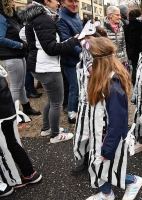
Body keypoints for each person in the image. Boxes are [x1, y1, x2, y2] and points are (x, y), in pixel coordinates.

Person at [84, 37, 142, 200]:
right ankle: (106, 193)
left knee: (108, 168)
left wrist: (107, 150)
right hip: (99, 138)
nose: (85, 68)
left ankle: (133, 181)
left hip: (110, 141)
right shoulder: (100, 82)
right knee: (98, 167)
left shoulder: (113, 89)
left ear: (98, 63)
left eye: (88, 62)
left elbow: (117, 125)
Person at [18, 0, 79, 143]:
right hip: (47, 67)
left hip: (42, 66)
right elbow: (51, 48)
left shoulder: (36, 18)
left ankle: (47, 128)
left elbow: (23, 35)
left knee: (52, 100)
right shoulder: (44, 19)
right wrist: (74, 41)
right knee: (57, 102)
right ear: (46, 1)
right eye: (55, 0)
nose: (58, 3)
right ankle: (55, 135)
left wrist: (34, 48)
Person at [0, 64, 42, 197]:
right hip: (8, 108)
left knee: (2, 150)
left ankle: (9, 182)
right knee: (12, 143)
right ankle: (29, 173)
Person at [72, 20, 107, 175]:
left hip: (99, 106)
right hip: (84, 104)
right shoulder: (81, 58)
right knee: (85, 134)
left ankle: (99, 164)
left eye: (90, 39)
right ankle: (87, 161)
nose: (85, 42)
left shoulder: (103, 61)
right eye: (84, 39)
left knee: (98, 135)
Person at [0, 0, 41, 116]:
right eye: (11, 0)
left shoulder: (11, 17)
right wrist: (19, 45)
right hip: (11, 56)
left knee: (21, 85)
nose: (14, 2)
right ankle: (11, 114)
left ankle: (26, 107)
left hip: (18, 54)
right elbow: (0, 38)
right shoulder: (2, 18)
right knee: (15, 86)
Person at [56, 0, 83, 124]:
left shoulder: (76, 15)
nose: (74, 4)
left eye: (76, 1)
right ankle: (71, 114)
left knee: (79, 87)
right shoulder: (61, 19)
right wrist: (82, 53)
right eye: (70, 1)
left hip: (80, 58)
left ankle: (77, 110)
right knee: (75, 88)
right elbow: (66, 42)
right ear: (63, 3)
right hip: (70, 61)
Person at [126, 9, 142, 86]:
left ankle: (134, 82)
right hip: (141, 50)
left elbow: (127, 39)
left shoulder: (128, 26)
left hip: (132, 51)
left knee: (134, 67)